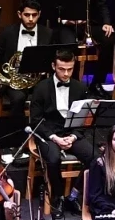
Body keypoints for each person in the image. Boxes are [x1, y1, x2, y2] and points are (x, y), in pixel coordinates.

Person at [30, 45, 94, 207]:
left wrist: (73, 137)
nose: (66, 74)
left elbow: (83, 120)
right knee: (53, 159)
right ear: (53, 66)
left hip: (71, 133)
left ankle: (74, 195)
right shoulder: (41, 88)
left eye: (70, 69)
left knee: (95, 158)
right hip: (49, 134)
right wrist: (55, 138)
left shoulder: (80, 88)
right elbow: (35, 121)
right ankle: (57, 197)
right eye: (61, 69)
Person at [0, 0, 61, 64]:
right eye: (27, 15)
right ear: (19, 14)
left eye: (34, 15)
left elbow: (53, 59)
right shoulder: (7, 32)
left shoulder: (48, 33)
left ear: (39, 14)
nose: (31, 19)